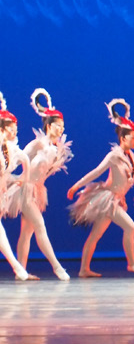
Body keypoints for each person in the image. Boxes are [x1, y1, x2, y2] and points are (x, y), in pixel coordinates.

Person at [66, 99, 134, 277]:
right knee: (130, 227)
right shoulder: (114, 156)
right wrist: (76, 186)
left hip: (117, 200)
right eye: (133, 137)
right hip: (108, 200)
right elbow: (96, 172)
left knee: (95, 235)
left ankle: (83, 269)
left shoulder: (131, 157)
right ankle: (132, 263)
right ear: (123, 138)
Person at [4, 88, 72, 280]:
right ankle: (57, 267)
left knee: (27, 232)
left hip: (37, 191)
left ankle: (21, 271)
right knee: (40, 225)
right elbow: (17, 160)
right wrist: (10, 179)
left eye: (63, 126)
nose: (61, 129)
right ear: (49, 126)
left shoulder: (57, 149)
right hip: (24, 190)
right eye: (58, 126)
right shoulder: (38, 144)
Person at [0, 95, 30, 280]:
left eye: (16, 129)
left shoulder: (8, 147)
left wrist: (23, 178)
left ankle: (16, 265)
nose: (15, 132)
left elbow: (25, 159)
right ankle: (16, 265)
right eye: (11, 129)